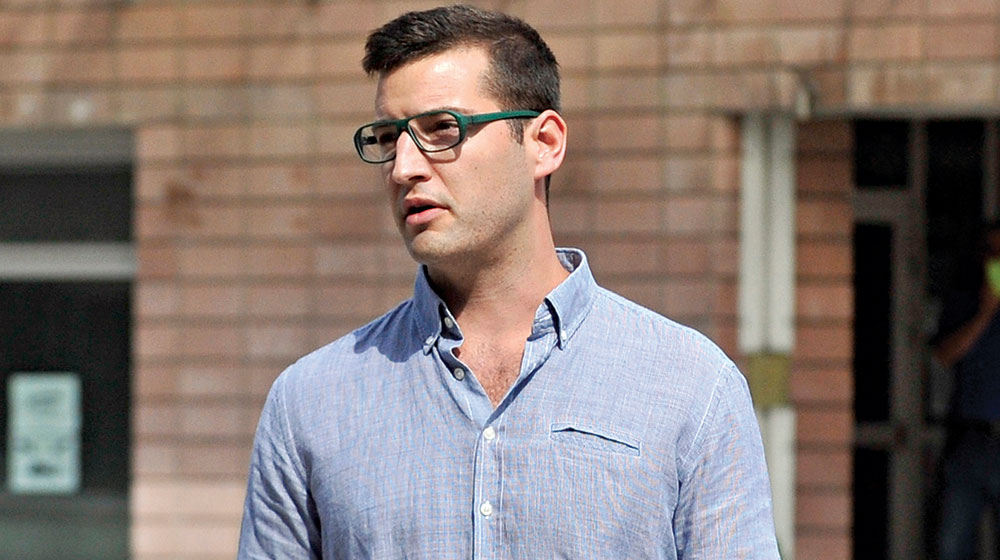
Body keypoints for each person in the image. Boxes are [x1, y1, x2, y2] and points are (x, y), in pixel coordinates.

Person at [238, 5, 779, 558]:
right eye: (387, 137)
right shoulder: (311, 402)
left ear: (544, 143)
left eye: (441, 129)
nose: (403, 168)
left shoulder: (690, 385)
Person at [935, 222, 1000, 560]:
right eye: (991, 252)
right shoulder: (966, 300)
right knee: (953, 545)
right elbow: (944, 355)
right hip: (971, 439)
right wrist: (985, 314)